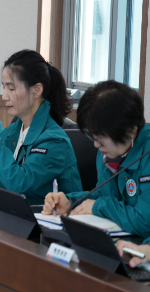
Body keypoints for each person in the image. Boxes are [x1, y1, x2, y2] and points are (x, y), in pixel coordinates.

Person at [0, 50, 82, 199]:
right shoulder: (13, 131)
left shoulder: (54, 140)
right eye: (4, 88)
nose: (4, 96)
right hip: (13, 214)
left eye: (11, 89)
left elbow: (19, 184)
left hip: (45, 218)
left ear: (36, 90)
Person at [42, 81, 150, 238]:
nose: (95, 144)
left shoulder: (146, 152)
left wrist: (99, 206)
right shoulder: (108, 151)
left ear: (130, 130)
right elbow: (105, 194)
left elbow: (145, 221)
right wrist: (71, 201)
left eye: (101, 138)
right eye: (93, 136)